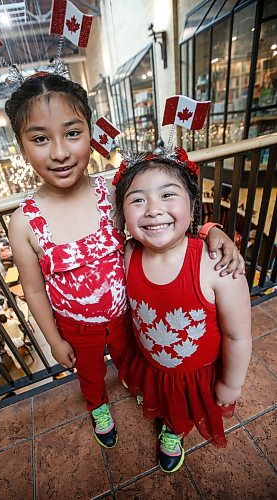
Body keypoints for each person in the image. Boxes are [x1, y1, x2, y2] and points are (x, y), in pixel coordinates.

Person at [5, 72, 244, 449]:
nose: (60, 152)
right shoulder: (23, 223)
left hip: (130, 315)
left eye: (72, 133)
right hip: (76, 326)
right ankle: (96, 404)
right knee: (91, 373)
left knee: (135, 362)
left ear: (89, 133)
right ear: (21, 147)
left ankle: (141, 389)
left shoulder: (112, 191)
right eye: (39, 139)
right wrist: (53, 340)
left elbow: (157, 228)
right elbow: (34, 289)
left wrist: (210, 230)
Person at [114, 150, 252, 473]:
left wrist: (231, 384)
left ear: (192, 205)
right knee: (161, 395)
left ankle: (174, 431)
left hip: (194, 373)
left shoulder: (216, 264)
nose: (154, 210)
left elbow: (238, 334)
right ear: (121, 213)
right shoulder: (127, 255)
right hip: (153, 362)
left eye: (167, 195)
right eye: (137, 200)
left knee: (181, 409)